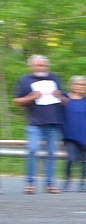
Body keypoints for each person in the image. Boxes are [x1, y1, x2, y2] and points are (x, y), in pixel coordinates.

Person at [13, 54, 68, 194]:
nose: (42, 68)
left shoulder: (54, 78)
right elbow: (17, 101)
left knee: (51, 154)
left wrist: (59, 96)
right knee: (32, 150)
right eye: (38, 65)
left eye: (44, 65)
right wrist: (31, 97)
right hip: (35, 123)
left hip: (53, 122)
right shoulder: (25, 80)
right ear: (31, 66)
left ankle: (50, 184)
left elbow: (65, 102)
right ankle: (30, 183)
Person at [62, 76, 86, 192]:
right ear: (72, 85)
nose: (80, 87)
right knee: (71, 159)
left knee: (84, 160)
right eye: (78, 84)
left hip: (85, 134)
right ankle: (67, 181)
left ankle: (83, 183)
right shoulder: (65, 99)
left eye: (83, 85)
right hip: (69, 134)